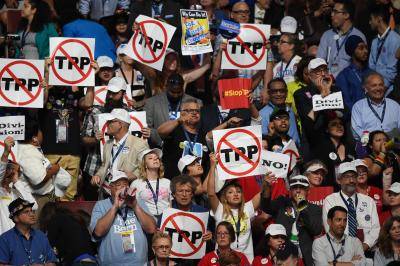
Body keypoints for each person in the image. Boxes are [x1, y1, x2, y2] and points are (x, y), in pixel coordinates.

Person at [90, 170, 157, 265]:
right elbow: (98, 233)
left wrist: (135, 206)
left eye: (125, 184)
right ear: (110, 188)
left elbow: (151, 229)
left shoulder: (138, 202)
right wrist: (115, 207)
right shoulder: (101, 205)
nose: (123, 187)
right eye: (118, 184)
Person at [207, 153, 261, 262]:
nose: (235, 194)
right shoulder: (220, 210)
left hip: (246, 261)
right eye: (231, 192)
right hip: (223, 260)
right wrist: (213, 166)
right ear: (225, 197)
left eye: (238, 192)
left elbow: (262, 192)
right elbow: (211, 193)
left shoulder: (248, 208)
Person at [261, 175, 322, 266]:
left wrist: (302, 207)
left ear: (308, 191)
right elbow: (266, 207)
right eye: (294, 188)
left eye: (301, 188)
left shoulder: (315, 209)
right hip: (283, 257)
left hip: (305, 258)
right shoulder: (281, 202)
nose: (298, 191)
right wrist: (267, 187)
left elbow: (316, 230)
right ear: (290, 190)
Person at [323, 162, 380, 253]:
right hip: (341, 252)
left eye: (354, 176)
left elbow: (376, 228)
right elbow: (329, 228)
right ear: (339, 180)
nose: (351, 180)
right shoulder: (330, 200)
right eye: (347, 177)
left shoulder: (369, 201)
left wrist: (365, 245)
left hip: (367, 252)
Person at [90, 108, 149, 198]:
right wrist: (98, 175)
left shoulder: (139, 144)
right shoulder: (108, 144)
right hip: (107, 191)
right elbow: (105, 165)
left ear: (120, 124)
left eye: (111, 121)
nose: (107, 124)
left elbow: (147, 167)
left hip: (128, 194)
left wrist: (135, 175)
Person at [144, 73, 201, 147]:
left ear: (182, 88)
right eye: (173, 92)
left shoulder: (195, 102)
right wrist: (161, 141)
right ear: (166, 87)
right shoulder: (151, 103)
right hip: (160, 145)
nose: (175, 95)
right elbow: (147, 129)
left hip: (186, 144)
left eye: (179, 92)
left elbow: (199, 127)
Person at [158, 98, 208, 179]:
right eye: (191, 110)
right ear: (182, 113)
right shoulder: (174, 130)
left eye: (197, 111)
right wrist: (178, 120)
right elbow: (160, 131)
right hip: (174, 182)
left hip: (197, 185)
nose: (195, 113)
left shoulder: (203, 134)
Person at [17, 122, 60, 215]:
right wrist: (54, 170)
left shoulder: (29, 149)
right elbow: (38, 179)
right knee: (37, 228)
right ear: (34, 138)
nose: (42, 134)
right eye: (40, 131)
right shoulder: (28, 152)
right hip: (37, 200)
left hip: (41, 198)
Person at [0, 198, 57, 265]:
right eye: (26, 212)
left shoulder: (41, 235)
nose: (32, 214)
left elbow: (52, 261)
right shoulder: (5, 239)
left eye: (32, 211)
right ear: (16, 218)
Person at [317, 0, 366, 77]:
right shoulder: (327, 35)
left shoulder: (358, 37)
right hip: (327, 81)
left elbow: (359, 66)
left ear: (346, 15)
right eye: (332, 11)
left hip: (349, 82)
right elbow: (319, 61)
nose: (332, 14)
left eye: (335, 12)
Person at [0, 136, 37, 235]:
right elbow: (0, 171)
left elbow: (34, 205)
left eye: (12, 169)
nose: (10, 172)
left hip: (17, 239)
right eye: (7, 169)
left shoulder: (16, 192)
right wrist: (6, 152)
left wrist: (16, 181)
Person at [351, 72, 400, 141]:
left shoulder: (395, 105)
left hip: (392, 145)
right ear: (366, 89)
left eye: (381, 85)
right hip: (368, 147)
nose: (378, 88)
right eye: (374, 85)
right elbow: (357, 131)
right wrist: (374, 141)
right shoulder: (358, 106)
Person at [312, 115, 355, 188]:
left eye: (341, 124)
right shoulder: (321, 148)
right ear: (327, 129)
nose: (339, 126)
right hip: (328, 190)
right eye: (334, 124)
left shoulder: (350, 147)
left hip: (348, 189)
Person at [130, 148, 171, 220]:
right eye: (150, 158)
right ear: (145, 164)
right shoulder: (136, 183)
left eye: (157, 158)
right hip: (147, 219)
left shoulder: (167, 182)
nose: (155, 159)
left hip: (166, 219)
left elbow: (171, 203)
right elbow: (133, 205)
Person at [369, 4, 400, 95]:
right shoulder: (374, 41)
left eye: (371, 19)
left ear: (379, 19)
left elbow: (391, 72)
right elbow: (371, 67)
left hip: (388, 91)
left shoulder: (395, 39)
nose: (369, 22)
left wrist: (380, 91)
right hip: (373, 88)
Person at [259, 78, 300, 145]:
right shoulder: (262, 114)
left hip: (296, 152)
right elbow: (263, 142)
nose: (278, 94)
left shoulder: (290, 109)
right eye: (275, 91)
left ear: (286, 93)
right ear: (269, 93)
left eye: (282, 91)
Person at [336, 35, 371, 110]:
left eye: (366, 48)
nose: (366, 51)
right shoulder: (343, 76)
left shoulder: (371, 73)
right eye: (361, 48)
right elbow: (346, 103)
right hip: (355, 117)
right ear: (352, 51)